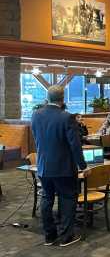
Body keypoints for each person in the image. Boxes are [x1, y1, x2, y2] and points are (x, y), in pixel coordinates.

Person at [31, 85, 91, 246]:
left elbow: (37, 140)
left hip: (43, 166)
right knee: (67, 200)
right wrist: (83, 166)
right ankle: (66, 237)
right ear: (63, 98)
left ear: (47, 97)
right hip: (64, 168)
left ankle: (49, 236)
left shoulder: (35, 115)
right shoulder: (67, 117)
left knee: (46, 199)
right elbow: (75, 145)